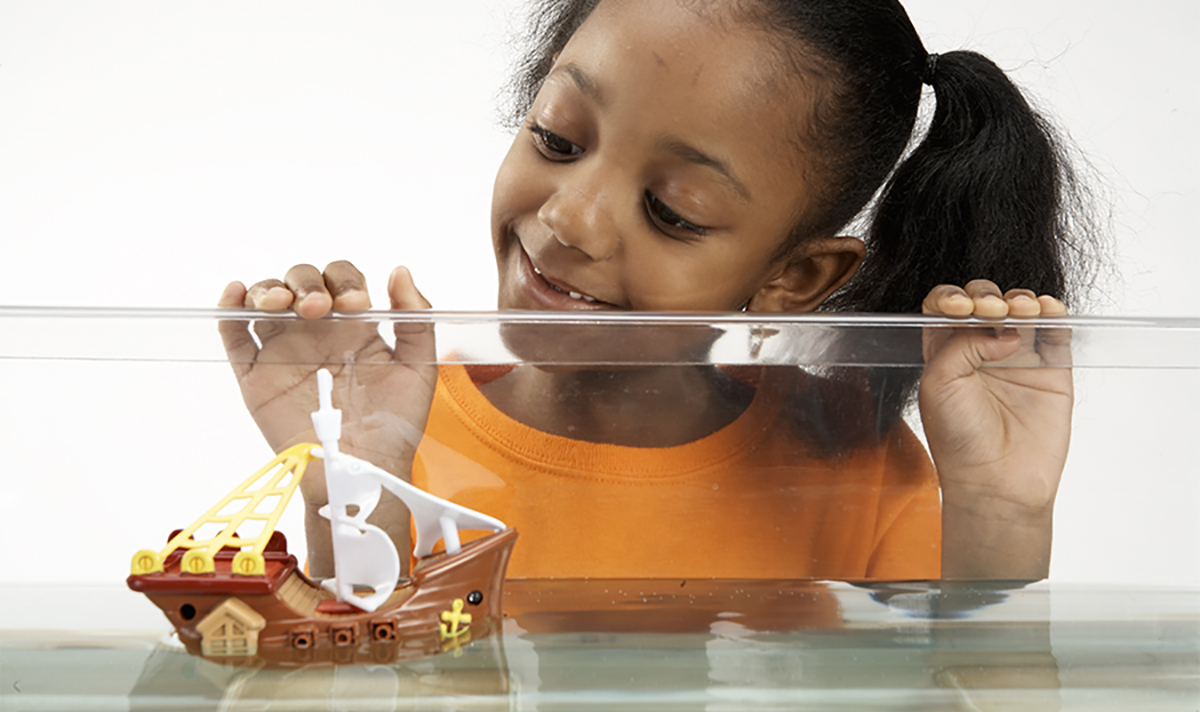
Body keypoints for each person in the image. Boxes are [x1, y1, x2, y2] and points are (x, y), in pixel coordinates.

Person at [218, 0, 1097, 582]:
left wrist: (999, 513)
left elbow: (971, 690)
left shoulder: (856, 472)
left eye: (672, 212)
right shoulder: (395, 437)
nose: (572, 220)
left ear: (797, 277)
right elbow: (341, 677)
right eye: (559, 139)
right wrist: (358, 484)